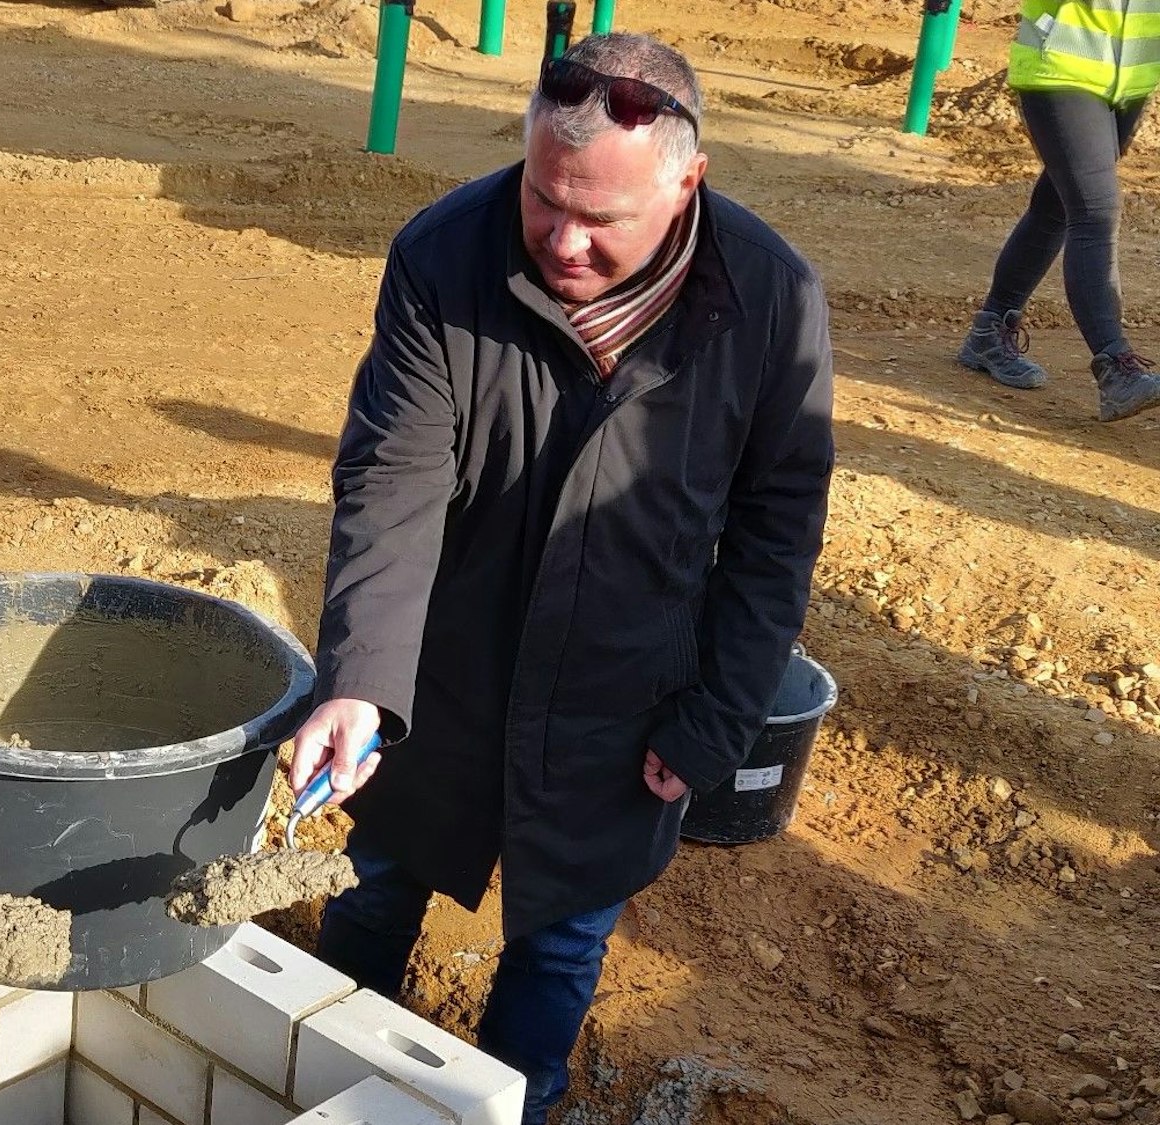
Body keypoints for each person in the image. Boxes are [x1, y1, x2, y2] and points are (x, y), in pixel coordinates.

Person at [287, 33, 834, 1125]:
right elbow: (391, 481)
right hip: (444, 665)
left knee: (560, 939)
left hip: (624, 692)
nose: (562, 240)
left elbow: (776, 530)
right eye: (545, 198)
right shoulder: (445, 255)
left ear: (686, 182)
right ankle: (312, 1071)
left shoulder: (766, 299)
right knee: (376, 883)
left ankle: (520, 1102)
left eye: (601, 218)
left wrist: (717, 718)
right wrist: (360, 680)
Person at [956, 0, 1160, 421]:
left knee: (1057, 205)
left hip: (1131, 80)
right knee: (1095, 211)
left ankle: (989, 330)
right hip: (1060, 70)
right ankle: (1114, 367)